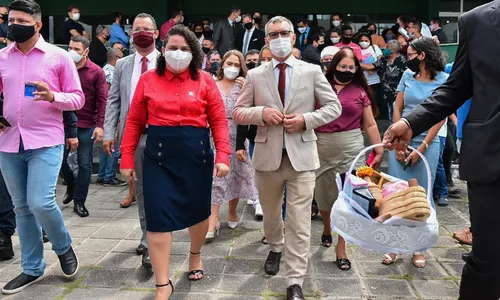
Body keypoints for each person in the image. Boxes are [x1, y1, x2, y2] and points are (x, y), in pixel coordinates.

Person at [385, 4, 500, 298]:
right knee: (488, 260)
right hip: (492, 159)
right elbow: (457, 86)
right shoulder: (478, 21)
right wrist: (411, 122)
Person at [233, 16, 342, 300]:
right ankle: (276, 246)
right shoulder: (256, 74)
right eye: (273, 34)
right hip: (267, 158)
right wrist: (261, 114)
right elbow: (238, 111)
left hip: (302, 157)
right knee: (271, 216)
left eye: (284, 33)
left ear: (293, 37)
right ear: (266, 40)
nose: (279, 37)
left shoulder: (312, 71)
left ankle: (295, 280)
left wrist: (307, 119)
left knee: (300, 221)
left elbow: (334, 107)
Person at [120, 24, 230, 299]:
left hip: (197, 157)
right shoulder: (148, 80)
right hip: (158, 158)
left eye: (184, 49)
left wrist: (223, 156)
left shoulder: (205, 81)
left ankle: (195, 254)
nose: (177, 53)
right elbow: (133, 121)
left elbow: (218, 121)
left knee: (198, 214)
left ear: (194, 53)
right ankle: (162, 283)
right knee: (157, 220)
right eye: (172, 48)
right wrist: (126, 157)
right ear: (163, 50)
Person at [0, 0, 84, 294]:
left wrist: (53, 97)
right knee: (22, 208)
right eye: (11, 19)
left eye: (22, 21)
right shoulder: (1, 57)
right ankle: (32, 268)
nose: (14, 25)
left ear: (37, 25)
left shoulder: (58, 57)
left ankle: (63, 246)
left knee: (40, 202)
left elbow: (78, 99)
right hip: (8, 141)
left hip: (46, 140)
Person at [382, 37, 449, 269]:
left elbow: (439, 116)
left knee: (421, 195)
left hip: (427, 140)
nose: (406, 58)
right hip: (401, 135)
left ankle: (419, 247)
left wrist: (421, 147)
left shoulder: (444, 80)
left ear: (422, 55)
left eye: (410, 54)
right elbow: (398, 107)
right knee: (395, 193)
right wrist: (398, 138)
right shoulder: (407, 76)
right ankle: (394, 245)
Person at [315, 48, 383, 270]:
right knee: (323, 195)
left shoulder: (361, 92)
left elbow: (370, 124)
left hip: (350, 148)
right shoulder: (319, 87)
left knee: (347, 198)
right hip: (320, 148)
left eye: (351, 68)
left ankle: (341, 246)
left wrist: (379, 149)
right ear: (334, 65)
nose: (346, 71)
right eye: (342, 66)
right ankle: (327, 227)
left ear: (357, 69)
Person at [103, 13, 161, 269]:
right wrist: (108, 132)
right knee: (142, 190)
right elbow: (114, 100)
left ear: (156, 33)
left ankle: (157, 237)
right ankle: (147, 237)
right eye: (136, 29)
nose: (141, 32)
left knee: (162, 190)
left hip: (163, 135)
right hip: (134, 136)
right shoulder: (123, 65)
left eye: (146, 29)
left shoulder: (168, 61)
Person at [206, 50, 258, 241]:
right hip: (215, 135)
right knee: (215, 179)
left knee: (236, 176)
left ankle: (232, 212)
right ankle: (212, 221)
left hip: (238, 136)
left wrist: (249, 88)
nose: (232, 68)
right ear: (222, 64)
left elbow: (252, 111)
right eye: (229, 63)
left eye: (237, 65)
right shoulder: (212, 84)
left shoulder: (244, 85)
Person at [61, 35, 107, 218]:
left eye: (77, 49)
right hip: (64, 123)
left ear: (86, 51)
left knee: (85, 164)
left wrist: (100, 125)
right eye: (70, 47)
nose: (72, 52)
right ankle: (71, 184)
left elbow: (103, 100)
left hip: (87, 123)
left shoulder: (96, 72)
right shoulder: (62, 68)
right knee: (60, 161)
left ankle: (79, 201)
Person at [365, 40, 407, 123]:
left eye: (387, 48)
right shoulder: (384, 59)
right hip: (387, 94)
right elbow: (372, 66)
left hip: (399, 94)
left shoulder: (402, 61)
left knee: (398, 117)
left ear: (394, 50)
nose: (384, 49)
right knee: (391, 116)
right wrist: (357, 63)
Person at [358, 32, 382, 116]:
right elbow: (356, 63)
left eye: (366, 40)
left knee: (374, 101)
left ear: (370, 41)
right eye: (361, 40)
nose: (364, 42)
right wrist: (369, 67)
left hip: (375, 80)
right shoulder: (357, 50)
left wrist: (372, 66)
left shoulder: (374, 48)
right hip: (363, 80)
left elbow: (379, 60)